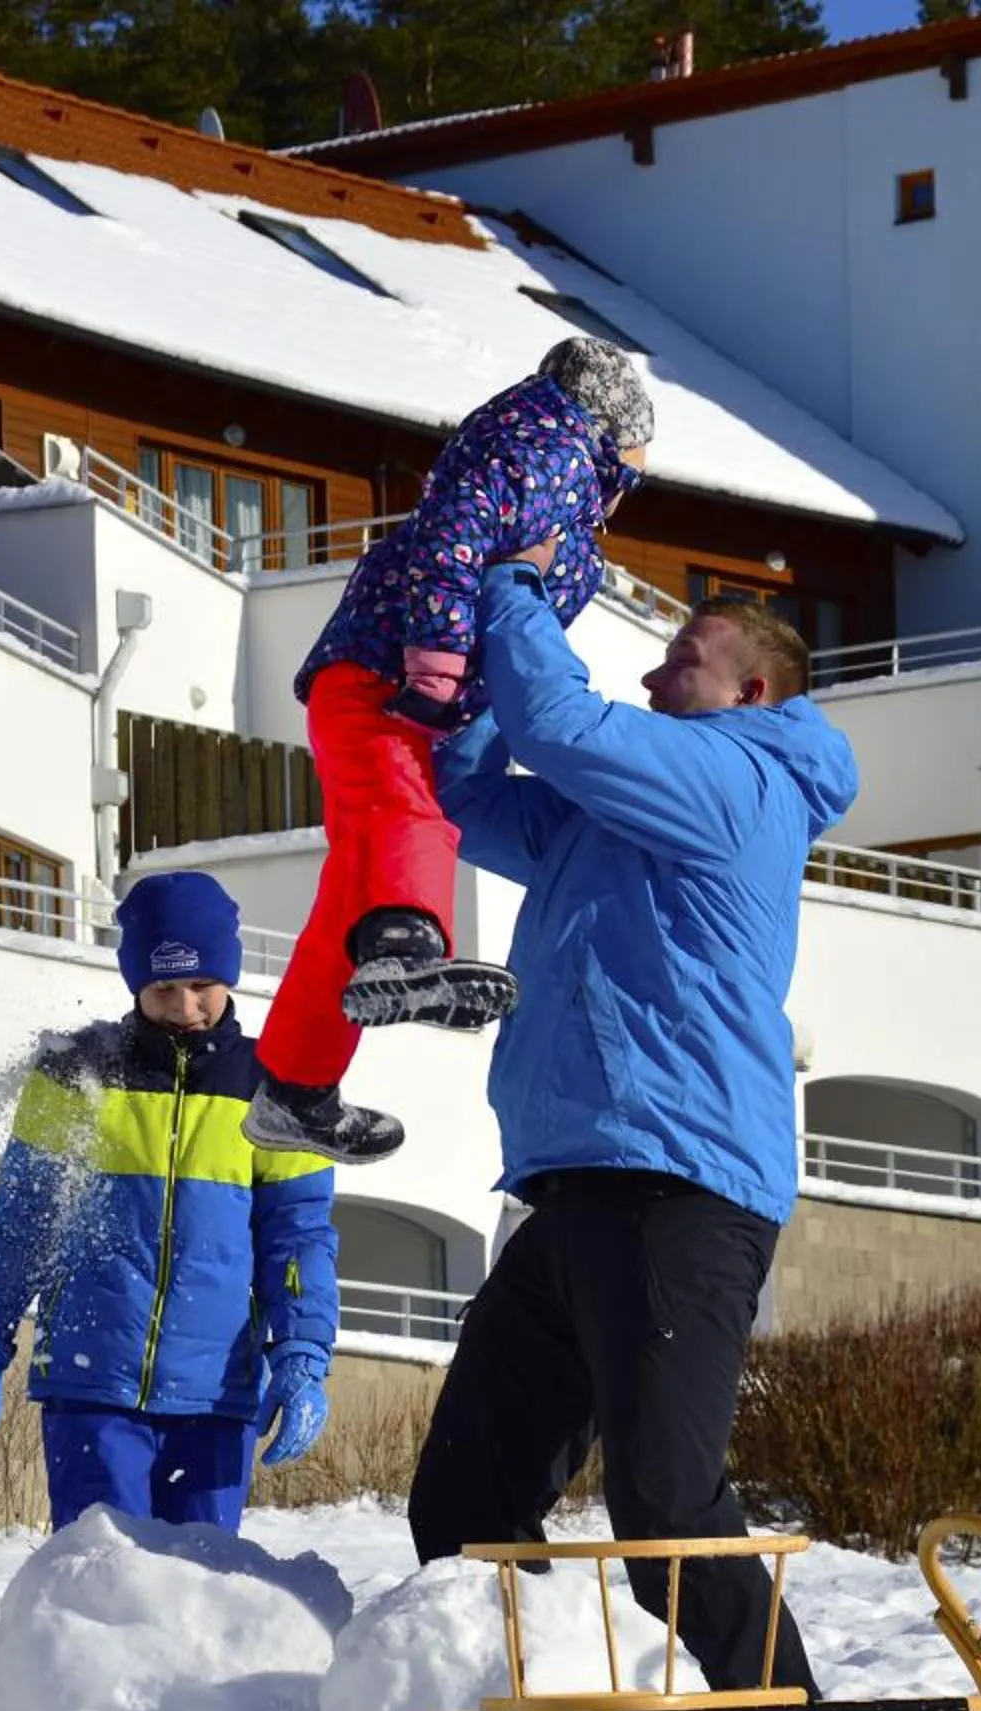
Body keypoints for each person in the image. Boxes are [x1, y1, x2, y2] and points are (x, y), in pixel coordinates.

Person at [406, 548, 884, 1711]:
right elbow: (469, 790)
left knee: (669, 1507)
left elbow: (563, 719)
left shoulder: (741, 780)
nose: (655, 665)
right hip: (571, 1191)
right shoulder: (619, 810)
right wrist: (449, 682)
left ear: (752, 685)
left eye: (684, 655)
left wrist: (512, 595)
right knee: (464, 1508)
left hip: (683, 1190)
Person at [243, 336, 654, 1167]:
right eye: (641, 465)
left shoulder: (567, 510)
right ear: (613, 436)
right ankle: (406, 949)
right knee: (408, 819)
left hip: (410, 698)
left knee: (345, 906)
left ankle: (295, 1086)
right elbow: (451, 542)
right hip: (380, 679)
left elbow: (512, 629)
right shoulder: (546, 454)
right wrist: (435, 661)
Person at [0, 870, 341, 1530]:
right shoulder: (79, 1072)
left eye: (201, 986)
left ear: (230, 976)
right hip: (93, 1390)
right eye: (163, 987)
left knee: (201, 1607)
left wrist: (301, 1357)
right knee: (102, 1599)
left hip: (214, 1396)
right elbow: (24, 1223)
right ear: (134, 982)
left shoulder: (276, 1085)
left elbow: (298, 1240)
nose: (184, 1008)